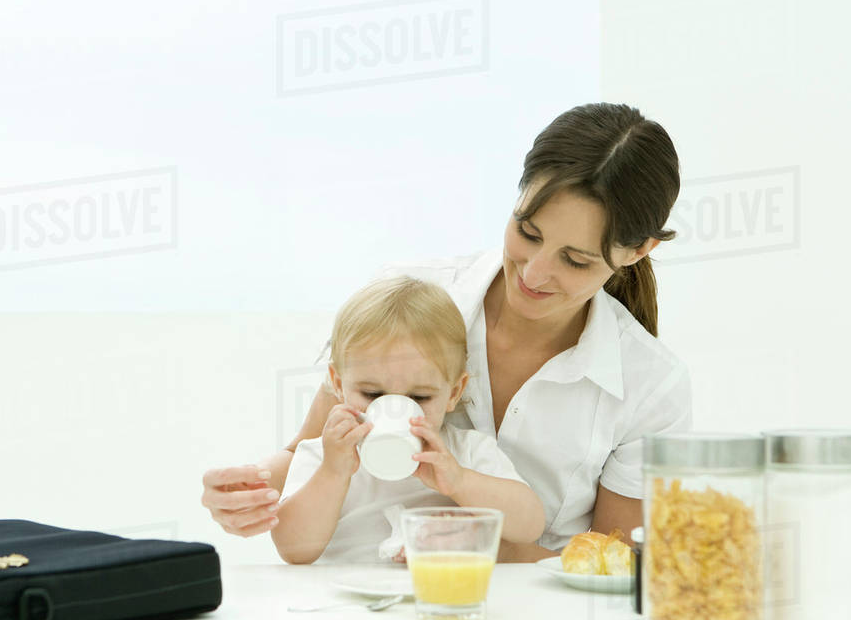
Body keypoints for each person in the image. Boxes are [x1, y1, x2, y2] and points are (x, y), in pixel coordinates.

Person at [201, 102, 691, 562]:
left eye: (575, 259)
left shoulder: (649, 383)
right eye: (528, 232)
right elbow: (306, 453)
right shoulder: (403, 303)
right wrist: (248, 491)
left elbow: (615, 563)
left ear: (636, 251)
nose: (534, 274)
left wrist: (471, 541)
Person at [271, 276, 544, 564]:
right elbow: (293, 550)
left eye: (419, 398)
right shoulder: (321, 456)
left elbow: (530, 526)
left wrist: (460, 481)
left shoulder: (467, 452)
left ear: (454, 392)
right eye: (373, 394)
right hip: (345, 604)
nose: (393, 410)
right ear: (338, 384)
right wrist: (332, 473)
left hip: (440, 597)